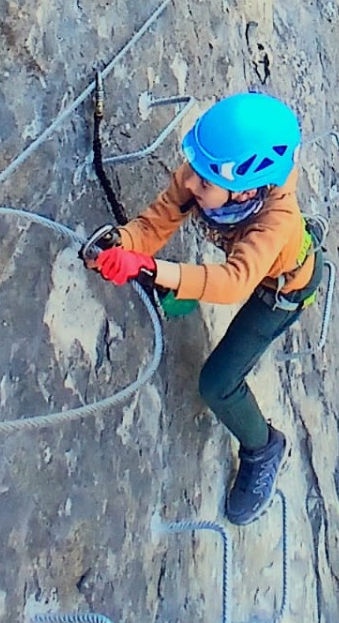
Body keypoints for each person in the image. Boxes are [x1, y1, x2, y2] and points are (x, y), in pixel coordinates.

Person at [83, 92, 320, 527]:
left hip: (280, 294)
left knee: (217, 384)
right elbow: (154, 224)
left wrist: (151, 269)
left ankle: (263, 447)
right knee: (181, 290)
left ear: (247, 189)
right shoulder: (205, 176)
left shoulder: (276, 220)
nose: (189, 182)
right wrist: (122, 246)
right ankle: (181, 288)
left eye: (205, 182)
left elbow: (233, 283)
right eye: (194, 170)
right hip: (253, 266)